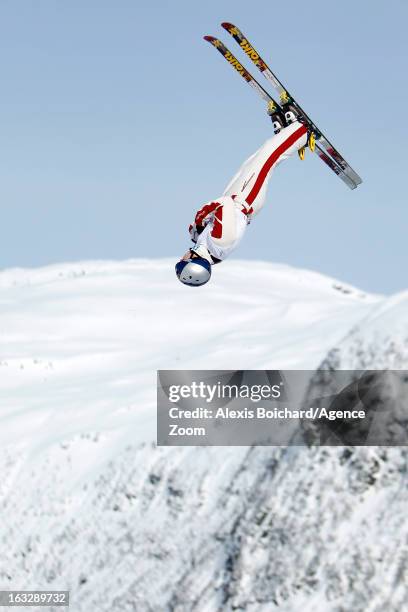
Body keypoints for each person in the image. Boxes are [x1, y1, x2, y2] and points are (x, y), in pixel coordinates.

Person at [175, 106, 311, 287]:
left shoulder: (208, 248)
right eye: (183, 261)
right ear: (193, 261)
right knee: (267, 156)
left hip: (239, 197)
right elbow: (223, 205)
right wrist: (200, 221)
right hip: (245, 198)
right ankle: (301, 130)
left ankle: (285, 135)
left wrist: (199, 231)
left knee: (257, 158)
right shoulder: (219, 243)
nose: (182, 256)